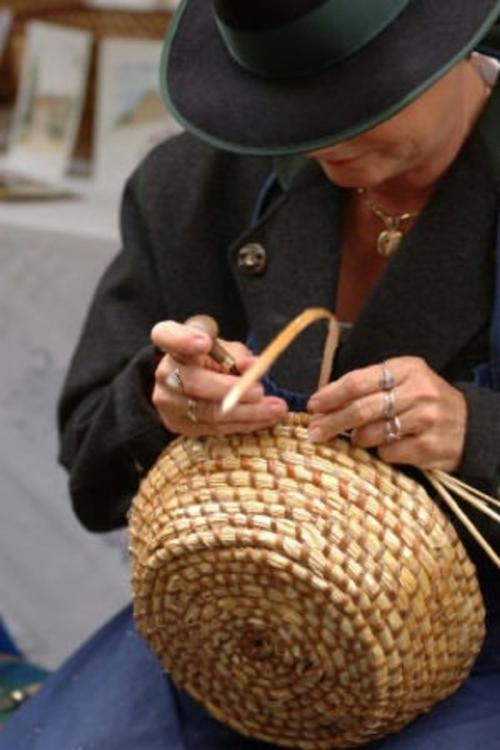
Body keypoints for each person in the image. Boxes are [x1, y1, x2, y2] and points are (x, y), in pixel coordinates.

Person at [2, 1, 500, 748]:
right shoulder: (199, 183)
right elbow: (92, 467)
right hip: (239, 638)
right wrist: (159, 398)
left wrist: (476, 431)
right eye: (285, 107)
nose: (320, 137)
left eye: (353, 100)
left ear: (446, 44)